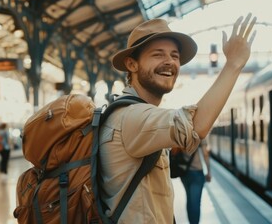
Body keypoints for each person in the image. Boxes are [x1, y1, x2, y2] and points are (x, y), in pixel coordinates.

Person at [99, 14, 256, 223]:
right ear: (132, 64)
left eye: (175, 55)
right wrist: (233, 65)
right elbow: (195, 125)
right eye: (158, 54)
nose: (169, 62)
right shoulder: (131, 116)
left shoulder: (134, 112)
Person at [180, 139, 211, 224]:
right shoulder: (200, 132)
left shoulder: (182, 130)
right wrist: (209, 171)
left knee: (190, 200)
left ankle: (191, 222)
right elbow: (205, 154)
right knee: (195, 203)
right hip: (197, 173)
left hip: (184, 173)